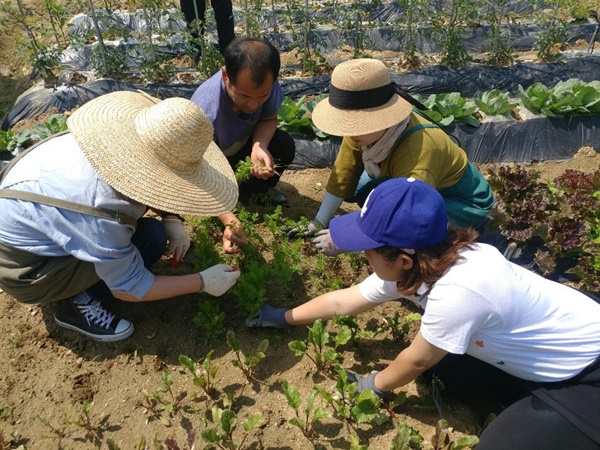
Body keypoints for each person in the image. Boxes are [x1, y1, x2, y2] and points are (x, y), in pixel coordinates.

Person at [249, 177, 600, 449]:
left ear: (403, 259)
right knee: (445, 376)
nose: (363, 259)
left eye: (368, 253)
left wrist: (373, 385)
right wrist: (283, 316)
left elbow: (416, 359)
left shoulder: (459, 292)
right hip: (553, 343)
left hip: (587, 375)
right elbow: (344, 301)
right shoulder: (425, 262)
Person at [0, 91, 242, 342]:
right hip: (26, 269)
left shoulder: (103, 142)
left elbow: (146, 182)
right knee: (150, 241)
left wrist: (172, 218)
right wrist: (202, 281)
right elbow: (131, 287)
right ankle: (75, 306)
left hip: (26, 221)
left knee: (151, 233)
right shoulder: (103, 209)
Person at [295, 58, 494, 256]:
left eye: (355, 123)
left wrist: (348, 242)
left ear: (381, 119)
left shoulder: (418, 151)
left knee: (418, 240)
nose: (349, 131)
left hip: (460, 201)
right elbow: (343, 176)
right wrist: (318, 221)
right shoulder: (360, 134)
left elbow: (408, 215)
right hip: (406, 181)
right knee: (362, 192)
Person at [191, 36, 296, 206]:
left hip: (240, 146)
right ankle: (225, 196)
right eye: (244, 96)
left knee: (283, 145)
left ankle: (254, 188)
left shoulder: (266, 83)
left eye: (262, 96)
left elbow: (269, 119)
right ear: (225, 76)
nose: (253, 104)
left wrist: (258, 147)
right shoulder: (206, 109)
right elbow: (198, 164)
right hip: (209, 160)